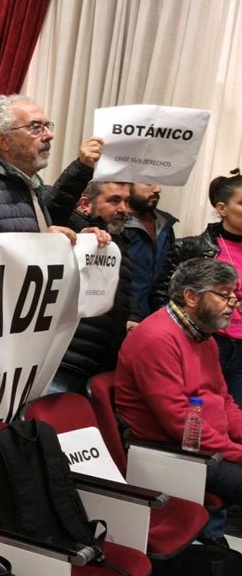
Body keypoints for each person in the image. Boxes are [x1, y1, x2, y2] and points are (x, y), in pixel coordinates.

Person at [116, 258, 242, 522]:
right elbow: (179, 423)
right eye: (223, 295)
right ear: (191, 297)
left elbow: (224, 400)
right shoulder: (157, 338)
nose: (233, 303)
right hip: (173, 452)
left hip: (207, 447)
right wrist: (237, 451)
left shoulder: (203, 336)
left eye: (233, 295)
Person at [0, 94, 101, 235]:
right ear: (4, 141)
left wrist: (78, 240)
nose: (49, 135)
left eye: (47, 126)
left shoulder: (30, 184)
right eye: (35, 127)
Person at [155, 173, 242, 405]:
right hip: (205, 341)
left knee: (235, 415)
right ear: (222, 208)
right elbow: (163, 296)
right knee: (198, 410)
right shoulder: (193, 248)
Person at [50, 180, 140, 393]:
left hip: (100, 361)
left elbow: (122, 293)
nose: (123, 209)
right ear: (85, 204)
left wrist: (132, 317)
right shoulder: (71, 231)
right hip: (65, 362)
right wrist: (80, 240)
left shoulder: (118, 242)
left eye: (126, 201)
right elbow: (56, 207)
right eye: (114, 200)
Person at [123, 181, 179, 316]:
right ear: (127, 185)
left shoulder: (164, 222)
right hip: (124, 316)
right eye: (148, 183)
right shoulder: (114, 224)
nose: (158, 189)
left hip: (160, 314)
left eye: (159, 183)